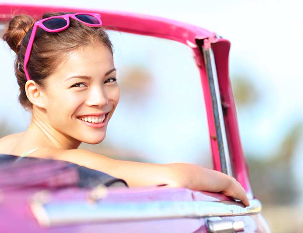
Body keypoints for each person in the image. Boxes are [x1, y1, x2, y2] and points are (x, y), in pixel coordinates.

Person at [0, 12, 249, 206]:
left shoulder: (8, 146)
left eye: (109, 80)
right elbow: (173, 179)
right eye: (79, 84)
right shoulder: (57, 160)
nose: (100, 99)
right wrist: (228, 182)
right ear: (36, 93)